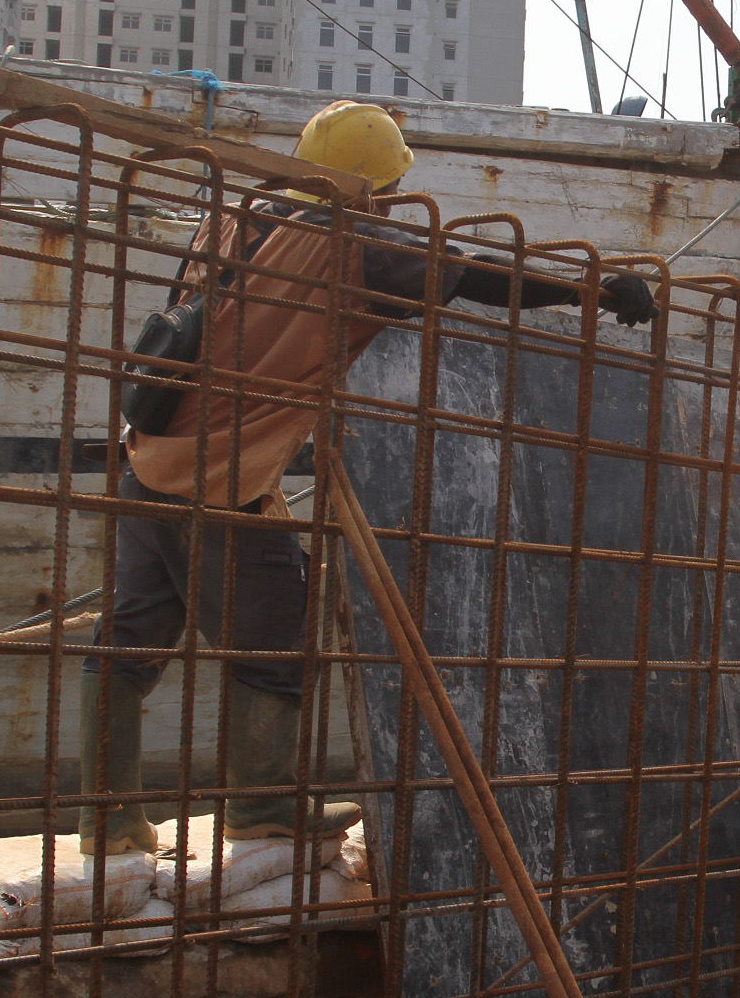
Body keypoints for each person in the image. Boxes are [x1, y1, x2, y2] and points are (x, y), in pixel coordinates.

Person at [80, 100, 659, 855]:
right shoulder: (349, 243)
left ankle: (108, 817)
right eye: (386, 185)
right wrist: (595, 292)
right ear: (368, 185)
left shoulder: (234, 216)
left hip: (144, 456)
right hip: (218, 477)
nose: (387, 199)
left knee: (125, 642)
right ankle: (258, 808)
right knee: (277, 640)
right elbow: (479, 279)